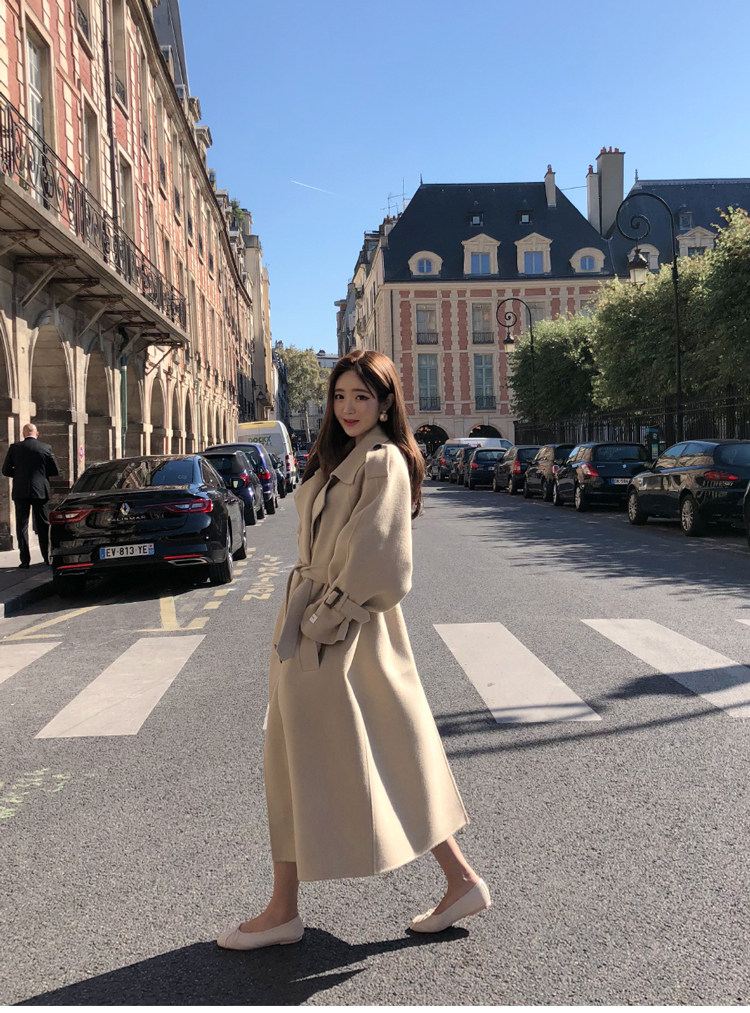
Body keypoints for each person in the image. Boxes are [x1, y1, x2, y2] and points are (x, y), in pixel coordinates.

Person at [218, 349, 490, 951]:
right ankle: (457, 880)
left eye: (361, 397)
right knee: (371, 750)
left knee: (315, 757)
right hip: (325, 622)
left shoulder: (382, 461)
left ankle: (285, 910)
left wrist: (324, 620)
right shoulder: (346, 456)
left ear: (386, 403)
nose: (347, 407)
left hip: (340, 629)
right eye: (340, 395)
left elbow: (383, 559)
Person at [2, 422, 59, 569]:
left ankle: (25, 560)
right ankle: (46, 557)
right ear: (37, 433)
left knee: (22, 525)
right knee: (43, 525)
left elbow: (6, 470)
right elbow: (55, 470)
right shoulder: (45, 448)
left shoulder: (15, 448)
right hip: (40, 490)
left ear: (23, 434)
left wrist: (20, 475)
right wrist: (41, 475)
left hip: (21, 491)